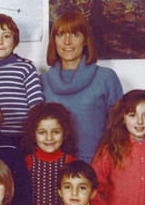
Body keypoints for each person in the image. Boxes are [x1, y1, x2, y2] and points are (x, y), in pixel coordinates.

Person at [41, 10, 123, 162]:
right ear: (54, 41)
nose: (67, 42)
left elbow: (119, 128)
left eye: (75, 35)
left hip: (97, 165)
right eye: (61, 35)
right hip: (54, 167)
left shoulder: (106, 78)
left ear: (85, 40)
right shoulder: (42, 81)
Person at [21, 102, 78, 205]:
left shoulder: (72, 163)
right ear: (33, 134)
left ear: (65, 133)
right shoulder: (27, 162)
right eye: (42, 132)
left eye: (55, 132)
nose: (49, 138)